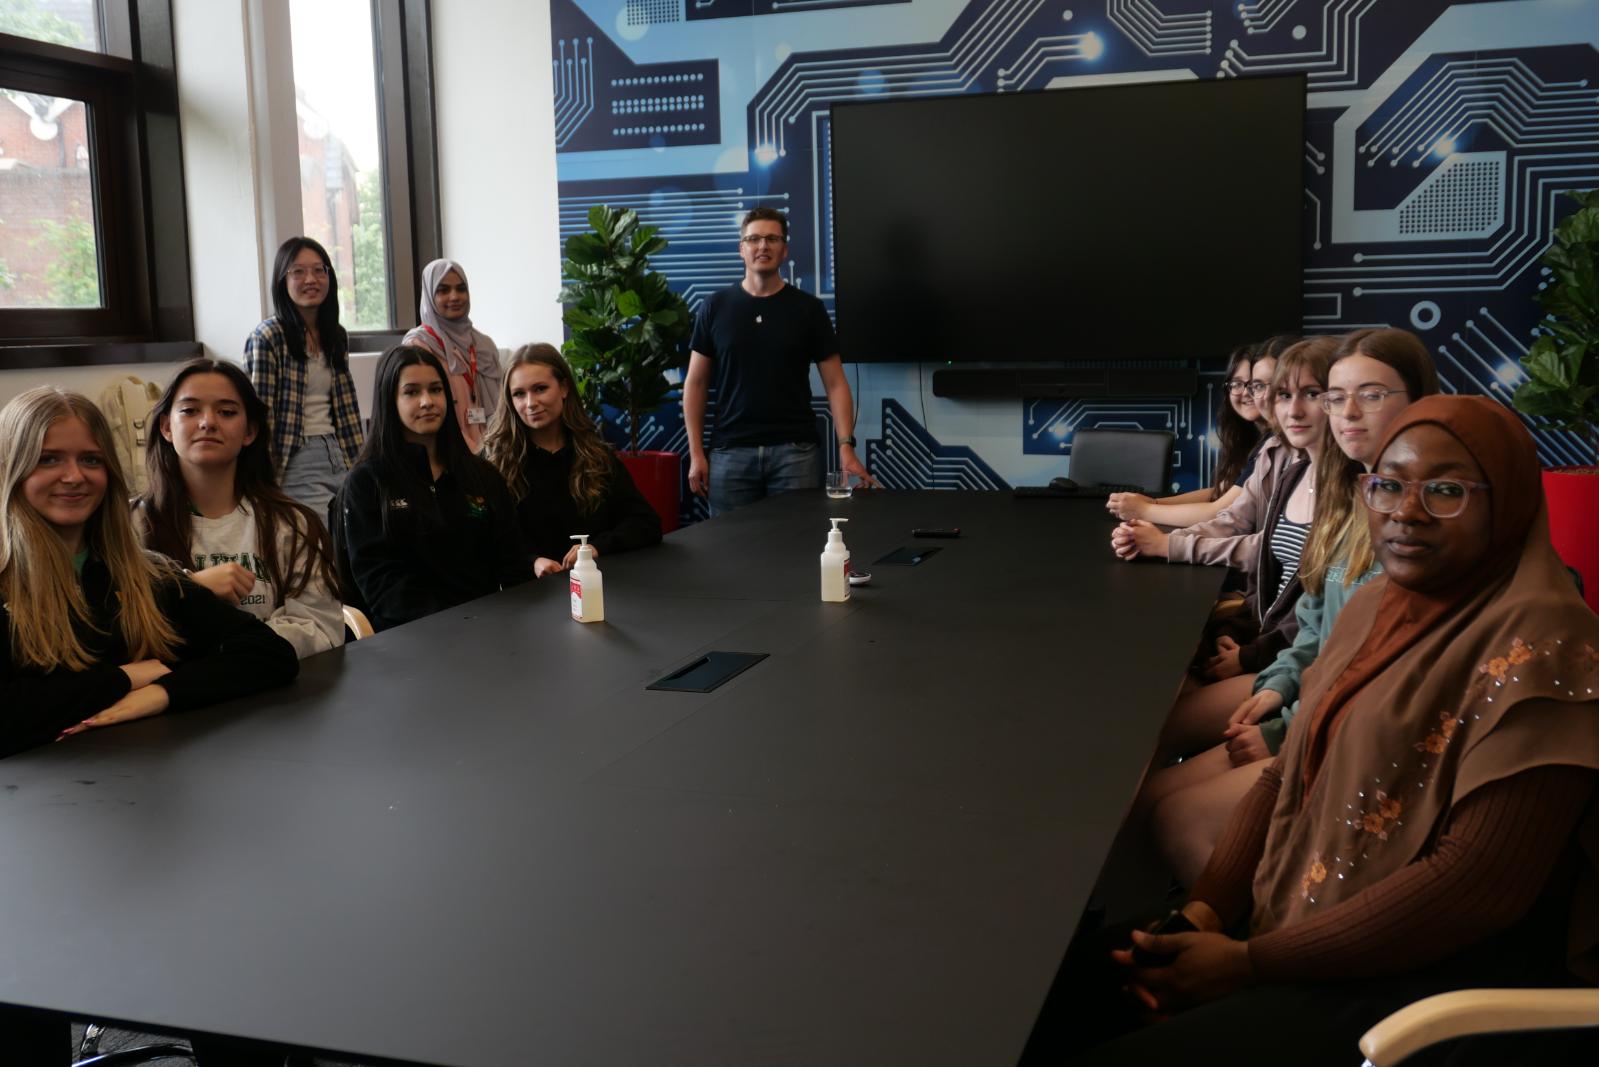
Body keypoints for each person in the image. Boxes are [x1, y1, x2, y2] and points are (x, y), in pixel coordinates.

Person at [1078, 396, 1599, 1066]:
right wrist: (1204, 911)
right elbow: (1287, 770)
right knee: (1070, 988)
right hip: (1297, 925)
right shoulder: (1374, 605)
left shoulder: (1550, 649)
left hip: (1427, 989)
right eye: (1386, 484)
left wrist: (1244, 961)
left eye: (1445, 491)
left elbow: (1472, 889)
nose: (1404, 512)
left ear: (1510, 502)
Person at [0, 387, 301, 1065]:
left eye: (89, 458)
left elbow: (267, 655)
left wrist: (153, 693)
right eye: (49, 459)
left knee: (229, 943)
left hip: (143, 826)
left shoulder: (141, 575)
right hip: (28, 855)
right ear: (13, 468)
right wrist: (116, 679)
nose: (74, 476)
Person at [1146, 327, 1440, 883]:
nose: (1346, 412)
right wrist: (1281, 684)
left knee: (1176, 817)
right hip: (1308, 700)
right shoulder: (1349, 488)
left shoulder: (1416, 514)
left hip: (1352, 731)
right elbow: (1313, 624)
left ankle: (1247, 954)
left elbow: (1384, 668)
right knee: (1149, 796)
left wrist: (1284, 726)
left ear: (1419, 399)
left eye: (1372, 395)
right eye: (1337, 396)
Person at [1144, 336, 1333, 763]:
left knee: (1155, 731)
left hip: (1288, 665)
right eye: (1283, 394)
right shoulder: (1292, 467)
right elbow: (1246, 532)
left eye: (1313, 394)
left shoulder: (1352, 494)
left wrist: (1254, 656)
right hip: (1272, 645)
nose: (1290, 408)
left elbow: (1326, 622)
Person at [136, 358, 345, 658]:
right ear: (167, 427)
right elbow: (121, 630)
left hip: (280, 691)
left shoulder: (293, 524)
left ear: (249, 431)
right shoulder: (131, 523)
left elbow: (321, 629)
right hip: (174, 698)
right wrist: (190, 589)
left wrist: (224, 651)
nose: (208, 422)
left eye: (227, 412)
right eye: (190, 410)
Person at [682, 207, 875, 515]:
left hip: (795, 454)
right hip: (730, 455)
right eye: (754, 238)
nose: (763, 246)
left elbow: (837, 383)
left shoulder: (808, 309)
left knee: (794, 552)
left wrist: (846, 446)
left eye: (772, 239)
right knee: (728, 555)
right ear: (741, 249)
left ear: (784, 250)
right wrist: (696, 454)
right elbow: (696, 383)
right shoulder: (715, 307)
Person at [337, 345, 529, 631]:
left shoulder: (482, 476)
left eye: (436, 390)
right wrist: (452, 622)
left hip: (487, 630)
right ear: (390, 400)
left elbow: (513, 563)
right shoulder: (367, 482)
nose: (427, 401)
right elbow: (378, 582)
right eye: (412, 392)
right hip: (408, 638)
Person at [482, 343, 661, 578]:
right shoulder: (495, 462)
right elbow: (485, 543)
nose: (530, 403)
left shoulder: (595, 455)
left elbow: (646, 523)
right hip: (528, 599)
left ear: (564, 387)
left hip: (599, 590)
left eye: (540, 389)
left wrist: (595, 549)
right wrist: (532, 563)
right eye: (519, 394)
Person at [1109, 340, 1290, 567]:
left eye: (1259, 385)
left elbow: (1221, 510)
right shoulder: (1262, 442)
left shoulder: (1281, 447)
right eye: (1238, 384)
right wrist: (1154, 512)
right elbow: (1222, 497)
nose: (1248, 393)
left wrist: (1147, 513)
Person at [244, 236, 365, 517]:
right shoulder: (268, 336)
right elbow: (261, 414)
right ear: (282, 281)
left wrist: (360, 462)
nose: (311, 279)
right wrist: (263, 479)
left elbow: (346, 410)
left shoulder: (336, 335)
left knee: (352, 537)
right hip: (295, 457)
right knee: (320, 543)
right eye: (298, 271)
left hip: (340, 450)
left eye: (319, 270)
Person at [402, 258, 504, 453]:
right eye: (443, 290)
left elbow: (501, 406)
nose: (455, 296)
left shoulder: (484, 345)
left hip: (493, 449)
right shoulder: (419, 346)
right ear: (430, 296)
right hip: (446, 450)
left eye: (461, 288)